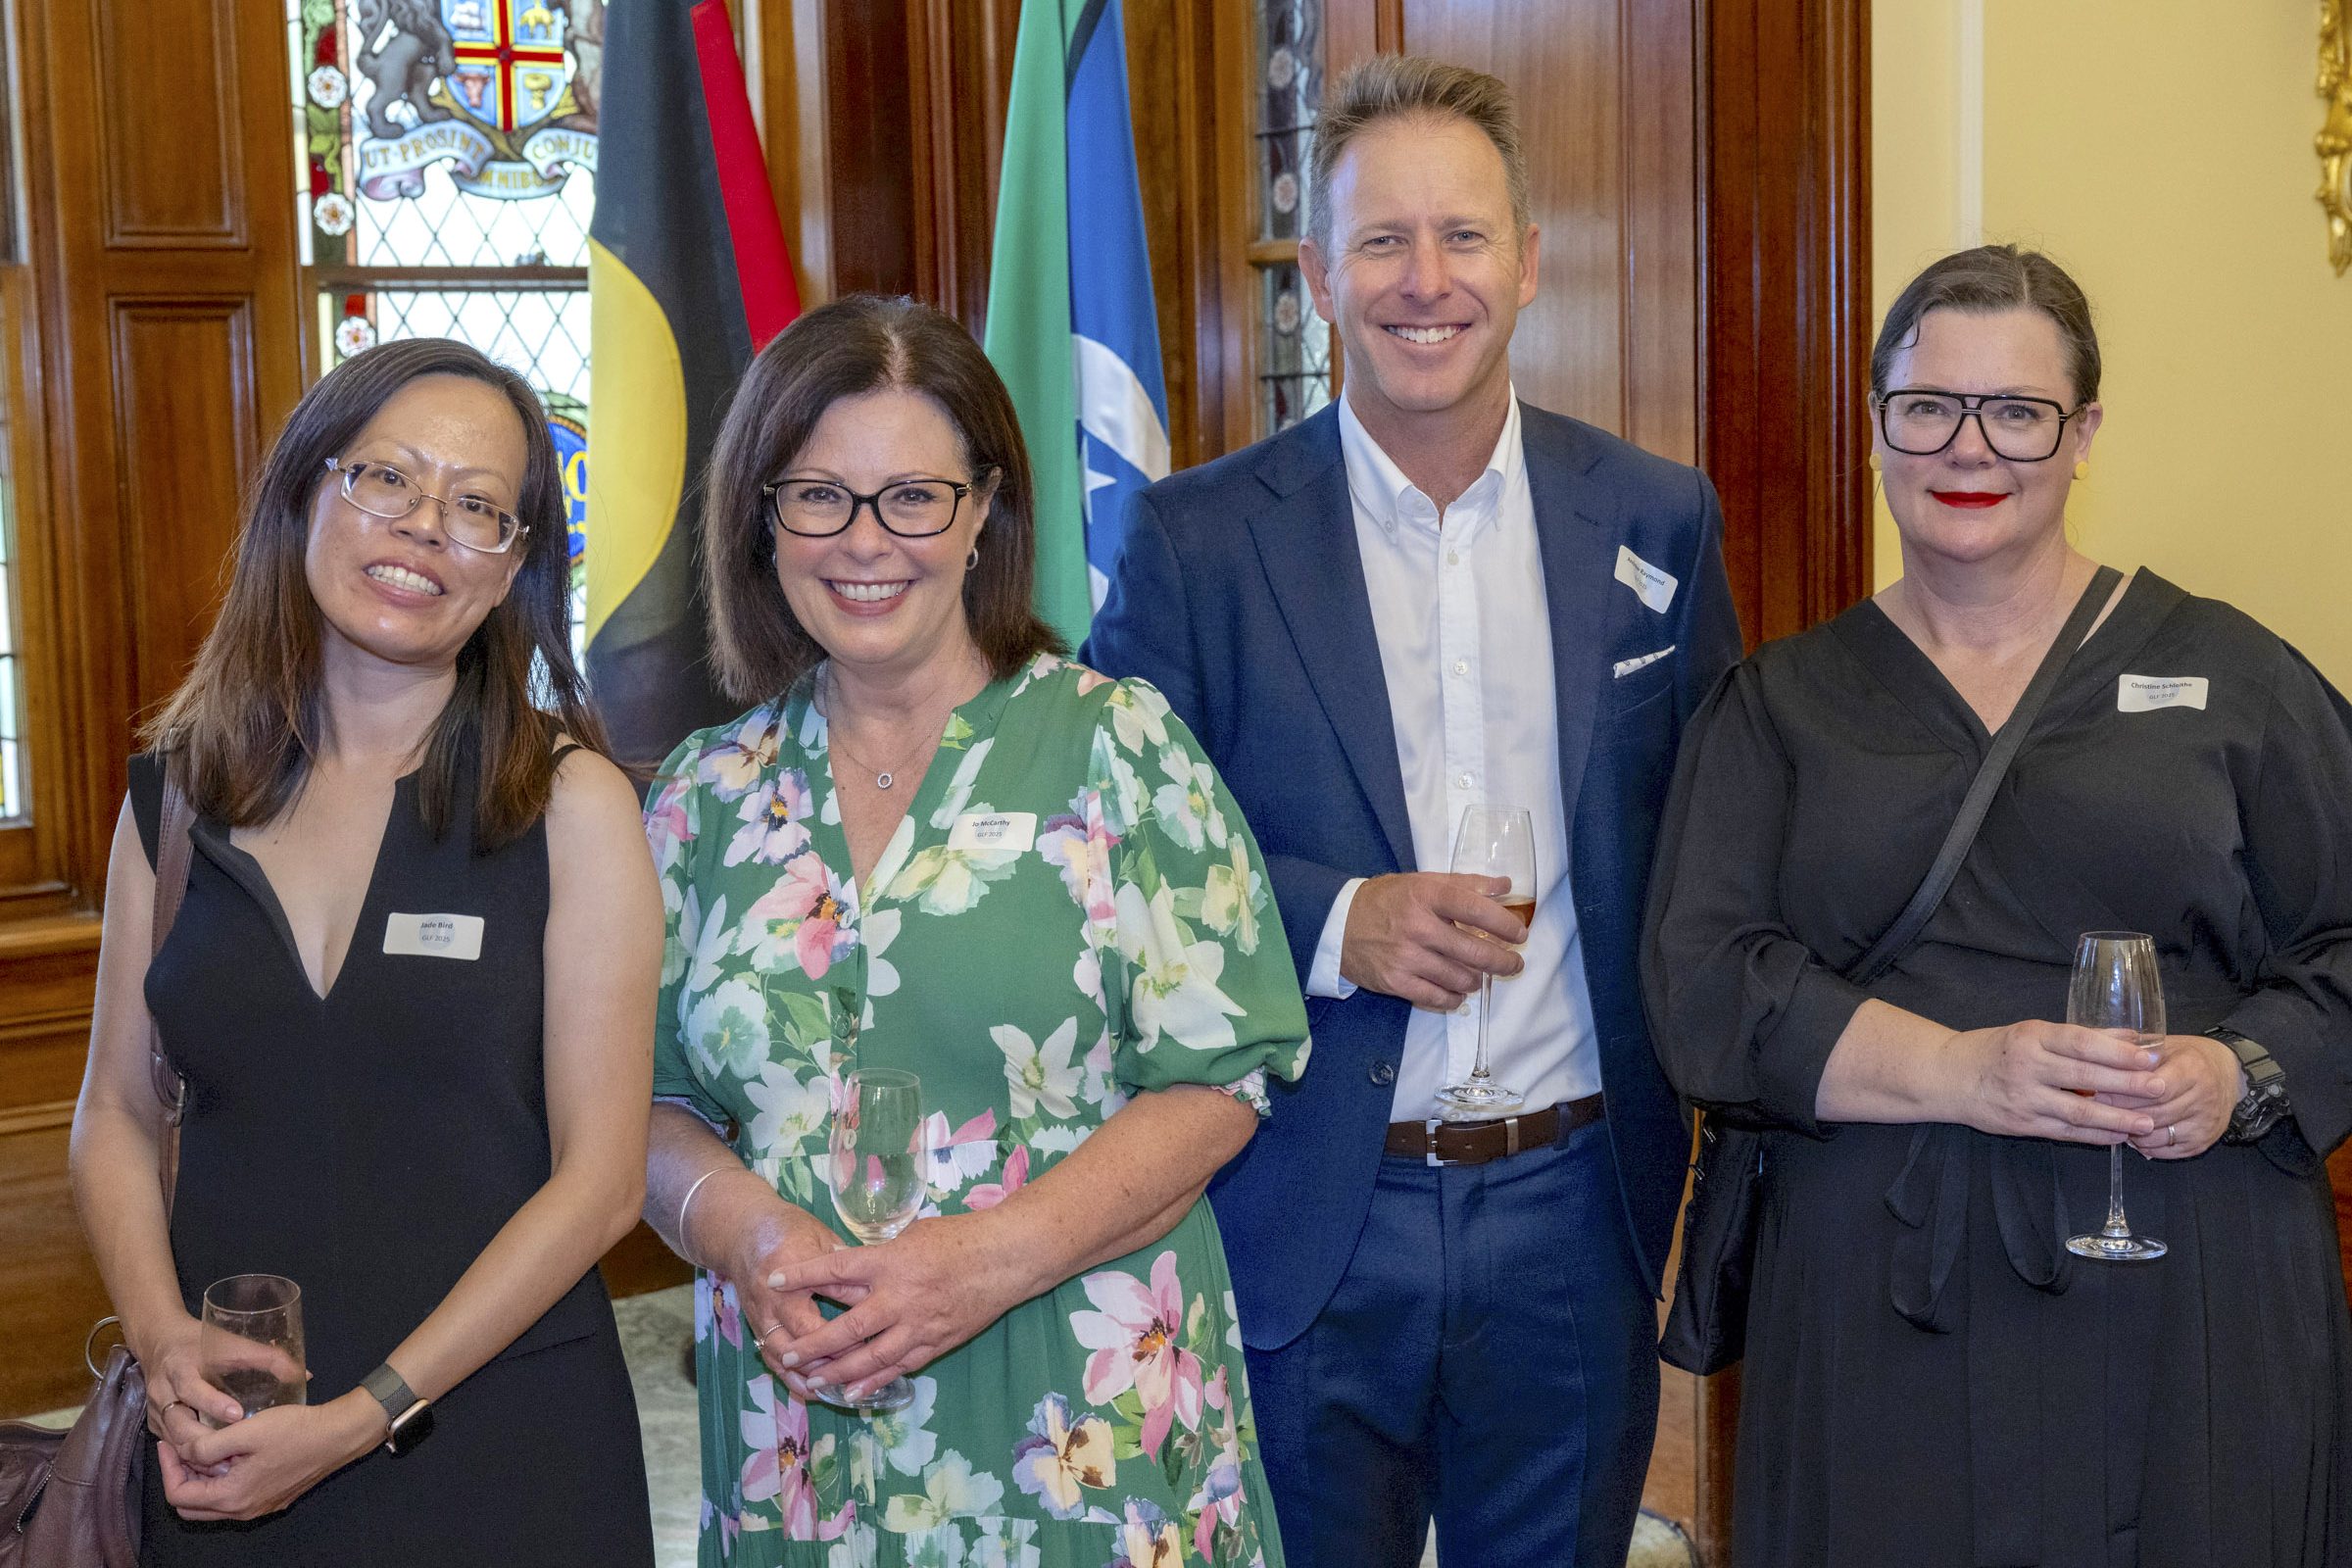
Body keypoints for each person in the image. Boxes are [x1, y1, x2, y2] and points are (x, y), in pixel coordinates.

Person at [1085, 54, 1742, 1568]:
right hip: (1307, 1204)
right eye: (1381, 240)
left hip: (1576, 1215)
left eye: (1462, 236)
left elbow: (1708, 830)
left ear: (1528, 261)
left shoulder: (1656, 517)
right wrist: (1334, 918)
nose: (1424, 280)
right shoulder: (1193, 544)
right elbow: (1115, 861)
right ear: (1321, 273)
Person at [1643, 243, 2352, 1566]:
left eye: (2018, 411)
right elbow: (1707, 985)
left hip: (2190, 1277)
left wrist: (2240, 1071)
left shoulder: (2234, 677)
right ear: (1877, 428)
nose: (1969, 447)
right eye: (1928, 406)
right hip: (1880, 1292)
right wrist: (1961, 1072)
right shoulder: (1782, 708)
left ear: (2084, 434)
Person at [641, 293, 1310, 1567]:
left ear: (984, 509)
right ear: (761, 515)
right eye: (819, 495)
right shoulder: (698, 798)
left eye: (913, 496)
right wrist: (744, 1230)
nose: (865, 540)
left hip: (1080, 1408)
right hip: (804, 1424)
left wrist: (984, 1263)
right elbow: (644, 1108)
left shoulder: (1120, 751)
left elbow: (1223, 1079)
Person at [66, 338, 661, 1563]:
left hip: (503, 1441)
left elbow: (600, 1181)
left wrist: (365, 1413)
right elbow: (115, 1111)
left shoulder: (573, 804)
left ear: (511, 575)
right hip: (228, 1438)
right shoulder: (173, 803)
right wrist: (160, 1333)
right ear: (305, 496)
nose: (425, 527)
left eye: (479, 506)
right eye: (387, 478)